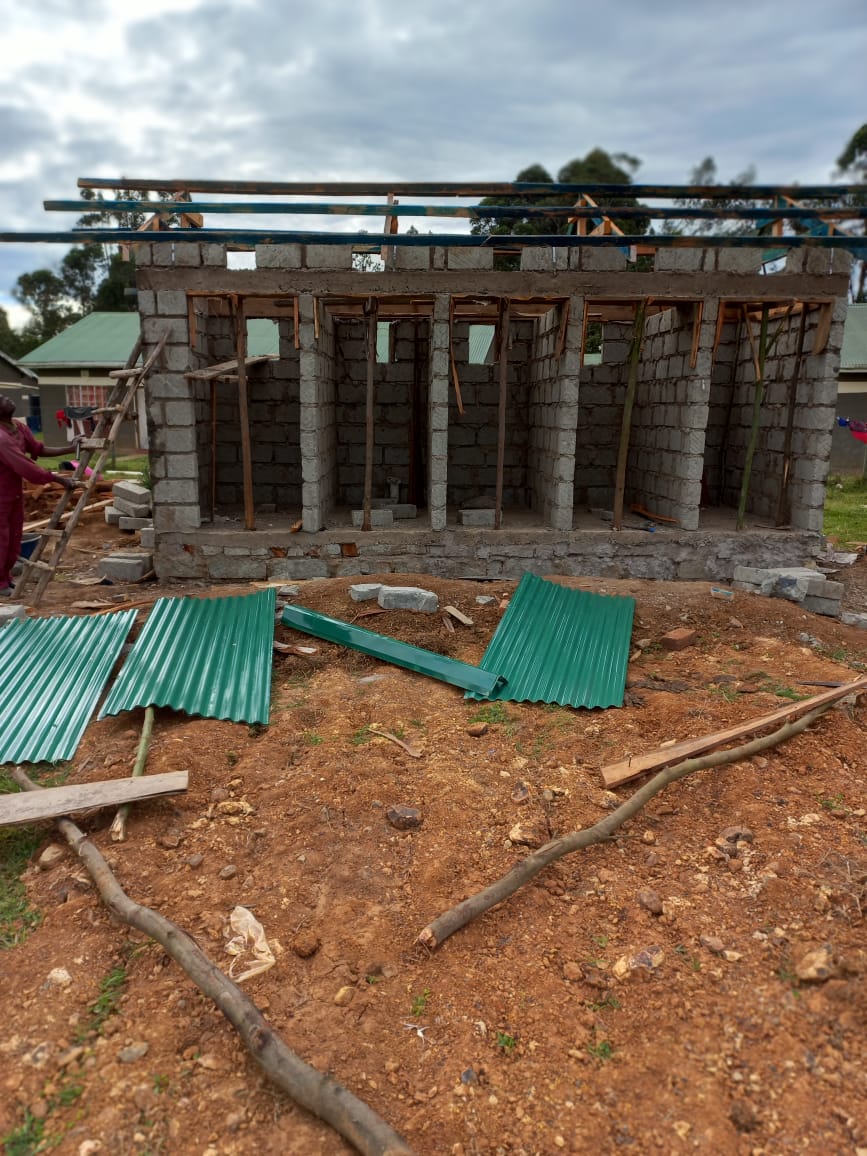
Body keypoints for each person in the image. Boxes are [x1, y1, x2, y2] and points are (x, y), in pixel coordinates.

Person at [0, 394, 77, 595]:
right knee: (1, 539)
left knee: (13, 537)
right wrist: (57, 478)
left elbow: (37, 449)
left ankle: (5, 580)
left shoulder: (17, 427)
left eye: (5, 396)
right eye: (0, 399)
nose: (7, 399)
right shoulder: (1, 438)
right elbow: (25, 467)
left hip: (12, 494)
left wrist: (69, 448)